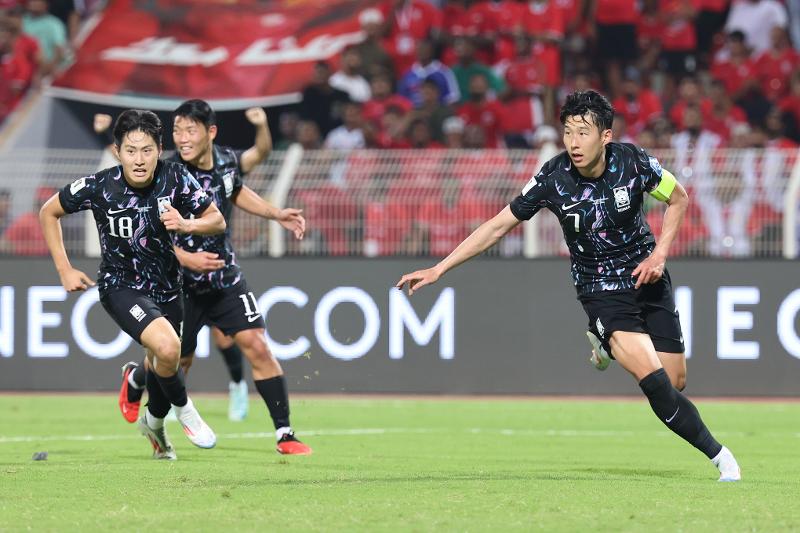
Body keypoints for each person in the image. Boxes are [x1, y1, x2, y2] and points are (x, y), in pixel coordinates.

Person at [396, 90, 742, 482]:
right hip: (599, 288)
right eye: (568, 133)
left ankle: (602, 345)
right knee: (656, 383)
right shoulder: (553, 178)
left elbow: (678, 199)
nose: (573, 143)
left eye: (583, 133)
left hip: (647, 276)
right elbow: (497, 226)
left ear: (605, 136)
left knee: (676, 379)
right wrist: (441, 269)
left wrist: (660, 254)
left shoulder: (634, 162)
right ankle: (721, 458)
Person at [119, 100, 312, 455]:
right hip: (178, 284)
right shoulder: (167, 172)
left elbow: (235, 191)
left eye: (189, 130)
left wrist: (276, 214)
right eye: (177, 130)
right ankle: (136, 379)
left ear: (210, 133)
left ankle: (285, 433)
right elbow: (145, 232)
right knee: (176, 362)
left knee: (256, 344)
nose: (182, 138)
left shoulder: (225, 161)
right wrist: (186, 257)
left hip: (224, 278)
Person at [40, 109, 224, 460]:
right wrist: (64, 269)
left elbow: (215, 219)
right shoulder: (99, 186)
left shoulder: (177, 178)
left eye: (147, 150)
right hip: (120, 286)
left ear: (159, 149)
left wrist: (188, 225)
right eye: (130, 150)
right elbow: (48, 211)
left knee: (164, 360)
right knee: (169, 350)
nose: (138, 160)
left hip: (169, 289)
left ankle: (152, 423)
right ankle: (186, 412)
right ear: (117, 151)